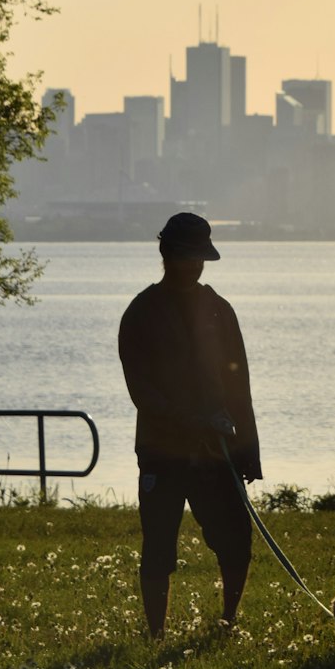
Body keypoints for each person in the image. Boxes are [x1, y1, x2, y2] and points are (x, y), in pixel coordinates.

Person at [118, 212, 262, 639]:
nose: (196, 265)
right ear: (167, 255)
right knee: (159, 545)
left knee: (237, 541)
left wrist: (248, 451)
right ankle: (155, 633)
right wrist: (195, 421)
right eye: (188, 256)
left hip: (216, 450)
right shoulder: (140, 313)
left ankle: (227, 622)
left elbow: (240, 384)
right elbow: (142, 393)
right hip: (161, 449)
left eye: (201, 257)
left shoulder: (220, 310)